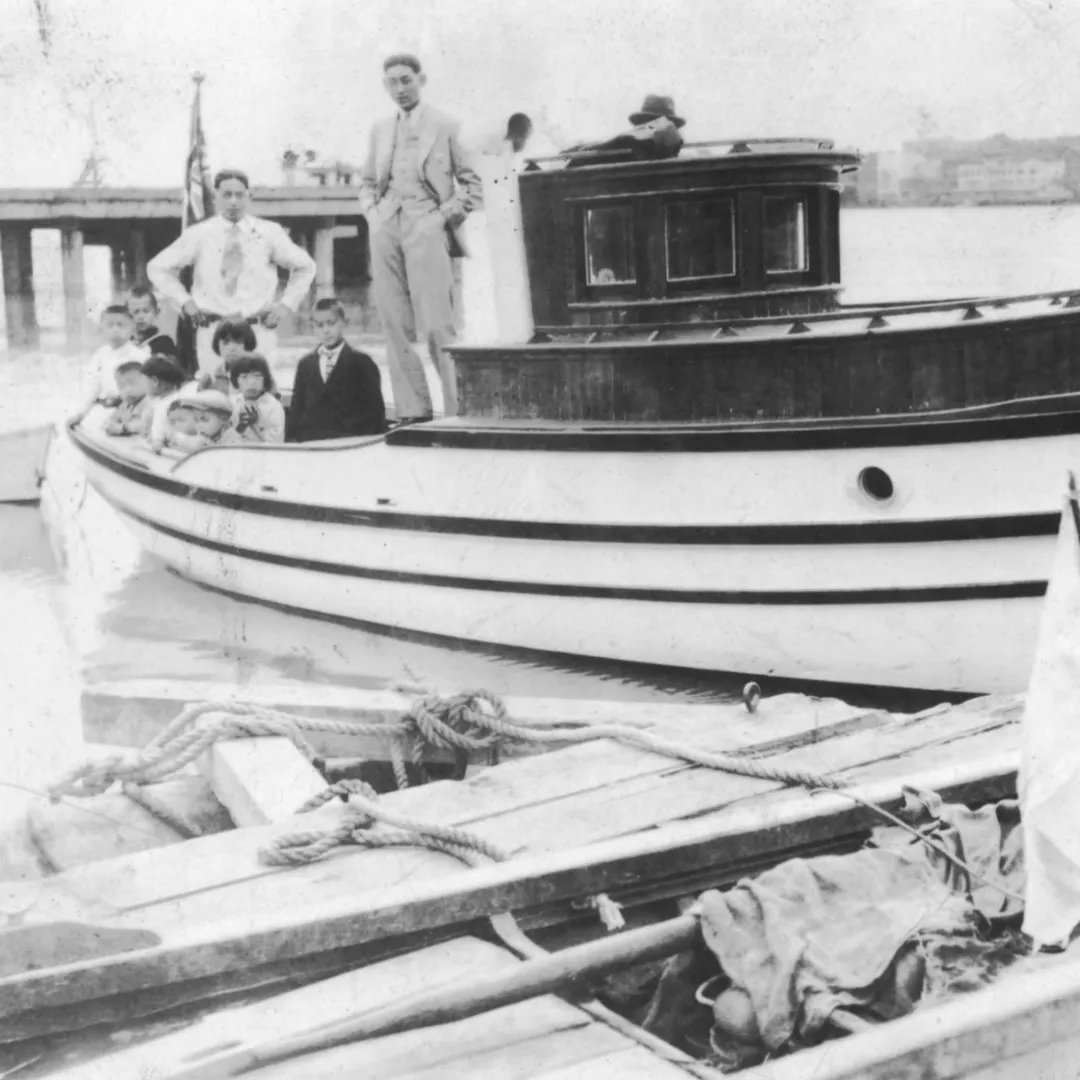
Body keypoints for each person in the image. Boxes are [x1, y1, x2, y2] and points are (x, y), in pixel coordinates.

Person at [359, 53, 482, 422]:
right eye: (392, 82)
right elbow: (367, 182)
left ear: (421, 79)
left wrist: (441, 219)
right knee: (393, 320)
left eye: (406, 80)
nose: (400, 89)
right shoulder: (380, 129)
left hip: (427, 224)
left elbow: (474, 185)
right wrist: (373, 214)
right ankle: (413, 411)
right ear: (385, 86)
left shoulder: (446, 125)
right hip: (386, 224)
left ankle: (458, 410)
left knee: (437, 321)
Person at [147, 168, 316, 377]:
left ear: (249, 196)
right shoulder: (199, 234)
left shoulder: (269, 233)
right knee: (214, 392)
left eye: (239, 195)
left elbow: (305, 266)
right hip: (213, 330)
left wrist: (285, 306)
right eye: (227, 195)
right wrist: (185, 302)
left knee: (257, 393)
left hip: (257, 329)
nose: (233, 202)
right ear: (216, 197)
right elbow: (158, 267)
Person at [287, 297, 386, 442]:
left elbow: (375, 412)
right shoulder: (305, 364)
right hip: (311, 444)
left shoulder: (362, 363)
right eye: (319, 325)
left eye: (331, 323)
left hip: (350, 443)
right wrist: (292, 439)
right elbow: (297, 408)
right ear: (312, 327)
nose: (326, 330)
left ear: (344, 322)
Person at [565, 94, 685, 166]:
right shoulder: (636, 142)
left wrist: (588, 148)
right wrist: (587, 148)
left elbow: (625, 139)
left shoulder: (668, 134)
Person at [80, 305, 148, 415]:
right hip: (105, 408)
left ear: (132, 329)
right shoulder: (99, 356)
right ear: (101, 329)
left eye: (120, 325)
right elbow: (91, 388)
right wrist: (81, 413)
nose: (115, 329)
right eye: (109, 325)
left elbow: (146, 391)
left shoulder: (140, 356)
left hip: (134, 409)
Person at [230, 352, 286, 443]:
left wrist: (257, 423)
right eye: (244, 377)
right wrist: (240, 427)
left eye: (257, 376)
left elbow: (276, 444)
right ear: (236, 381)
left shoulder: (274, 407)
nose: (252, 382)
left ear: (265, 380)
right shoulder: (232, 403)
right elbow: (224, 441)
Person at [141, 353, 187, 453]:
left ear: (154, 381)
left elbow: (157, 439)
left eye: (144, 381)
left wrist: (155, 440)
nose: (143, 386)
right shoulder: (179, 397)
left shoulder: (163, 406)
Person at [208, 317, 258, 394]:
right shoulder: (211, 378)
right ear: (218, 345)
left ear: (248, 344)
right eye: (225, 342)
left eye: (238, 342)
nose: (231, 348)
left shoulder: (260, 376)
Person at [104, 360, 153, 436]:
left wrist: (124, 428)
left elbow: (145, 423)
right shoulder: (126, 404)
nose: (127, 389)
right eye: (121, 386)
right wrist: (111, 424)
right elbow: (112, 418)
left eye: (132, 383)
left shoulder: (150, 402)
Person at [127, 286, 177, 356]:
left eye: (146, 311)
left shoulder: (164, 342)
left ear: (156, 312)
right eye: (136, 312)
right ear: (127, 315)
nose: (141, 317)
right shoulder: (125, 342)